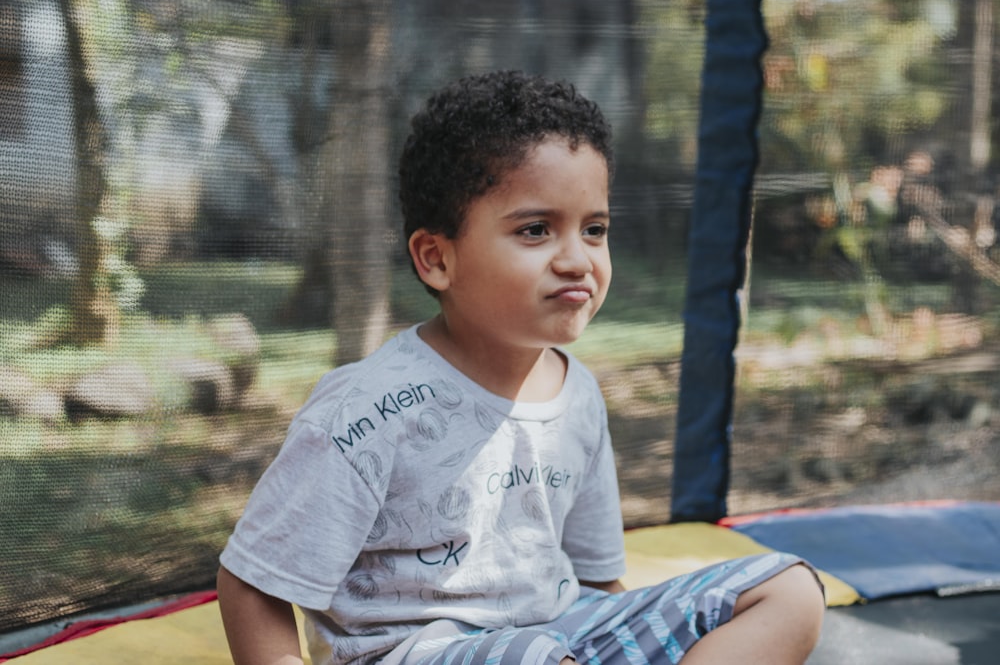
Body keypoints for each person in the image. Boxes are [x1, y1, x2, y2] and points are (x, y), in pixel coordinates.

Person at [216, 69, 825, 665]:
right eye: (536, 230)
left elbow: (599, 586)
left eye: (594, 229)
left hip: (556, 635)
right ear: (436, 259)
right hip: (418, 653)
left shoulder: (578, 394)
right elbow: (252, 583)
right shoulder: (368, 411)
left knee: (788, 590)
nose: (577, 260)